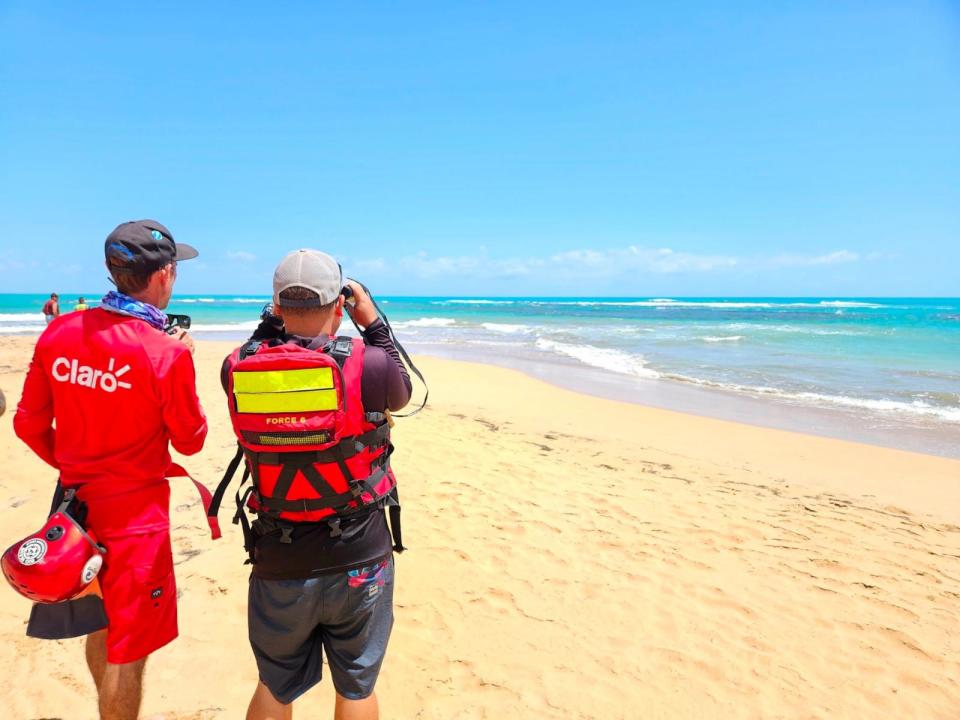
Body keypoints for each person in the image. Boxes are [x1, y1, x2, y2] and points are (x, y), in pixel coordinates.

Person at [14, 219, 210, 720]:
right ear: (164, 274)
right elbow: (191, 441)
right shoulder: (164, 352)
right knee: (129, 648)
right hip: (135, 518)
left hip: (73, 508)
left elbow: (28, 425)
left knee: (102, 625)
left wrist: (78, 466)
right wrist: (184, 361)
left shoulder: (60, 332)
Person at [220, 249, 411, 720]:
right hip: (358, 553)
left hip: (279, 555)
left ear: (277, 306)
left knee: (275, 688)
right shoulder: (369, 365)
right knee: (357, 689)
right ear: (339, 305)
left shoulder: (235, 367)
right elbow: (402, 393)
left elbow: (253, 351)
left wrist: (272, 324)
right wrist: (375, 326)